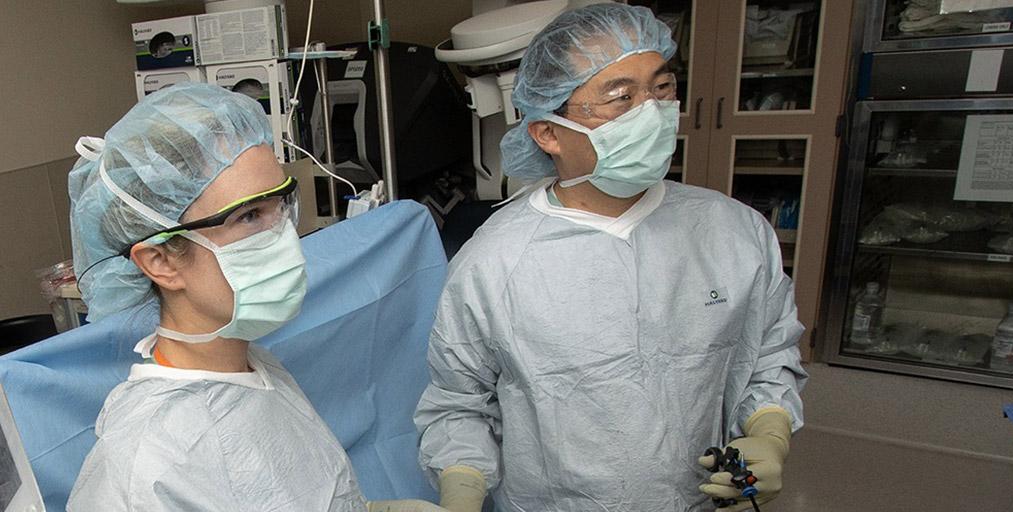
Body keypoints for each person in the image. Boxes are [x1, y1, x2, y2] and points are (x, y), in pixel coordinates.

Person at [414, 4, 807, 512]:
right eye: (621, 97)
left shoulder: (734, 232)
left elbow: (768, 355)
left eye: (661, 89)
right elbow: (459, 406)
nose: (651, 110)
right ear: (548, 133)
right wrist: (461, 497)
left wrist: (770, 434)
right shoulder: (495, 262)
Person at [65, 83, 445, 512]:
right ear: (160, 263)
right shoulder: (145, 469)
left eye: (281, 206)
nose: (284, 236)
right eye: (248, 216)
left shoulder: (253, 369)